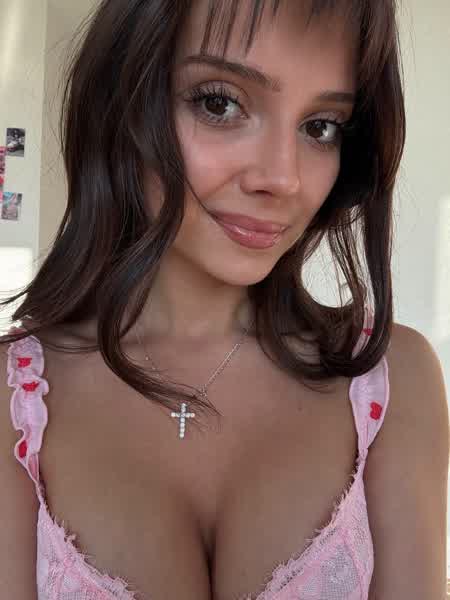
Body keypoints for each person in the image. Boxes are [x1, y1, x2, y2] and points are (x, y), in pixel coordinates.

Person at [0, 0, 448, 598]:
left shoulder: (392, 381)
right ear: (122, 103)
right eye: (219, 103)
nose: (283, 178)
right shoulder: (15, 401)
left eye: (321, 126)